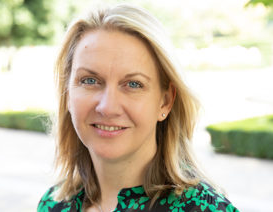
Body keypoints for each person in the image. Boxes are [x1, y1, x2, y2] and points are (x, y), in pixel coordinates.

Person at [38, 4, 239, 212]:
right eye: (90, 80)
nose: (108, 107)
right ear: (68, 93)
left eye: (133, 84)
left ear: (165, 102)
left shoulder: (205, 209)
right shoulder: (52, 204)